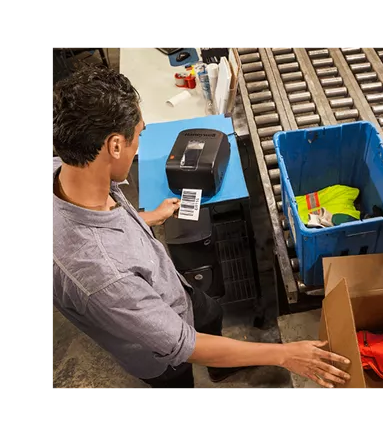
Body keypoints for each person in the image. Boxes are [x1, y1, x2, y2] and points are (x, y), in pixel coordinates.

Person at [51, 65, 351, 394]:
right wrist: (284, 354)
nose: (140, 144)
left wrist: (146, 217)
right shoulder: (105, 276)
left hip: (173, 288)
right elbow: (183, 344)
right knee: (177, 382)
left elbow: (103, 226)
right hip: (158, 356)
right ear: (115, 146)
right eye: (138, 135)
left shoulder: (66, 173)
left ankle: (221, 368)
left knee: (210, 312)